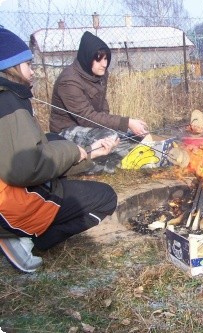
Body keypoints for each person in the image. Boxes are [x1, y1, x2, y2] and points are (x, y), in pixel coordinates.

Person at [0, 28, 118, 273]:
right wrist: (75, 152)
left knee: (52, 140)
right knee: (106, 197)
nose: (32, 71)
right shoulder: (9, 102)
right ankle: (26, 237)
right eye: (27, 65)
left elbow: (31, 146)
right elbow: (24, 168)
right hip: (10, 206)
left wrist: (89, 153)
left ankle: (20, 231)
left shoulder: (9, 98)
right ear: (10, 68)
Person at [49, 31, 148, 173]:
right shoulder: (69, 81)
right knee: (110, 136)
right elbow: (87, 117)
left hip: (90, 126)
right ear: (87, 58)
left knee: (130, 135)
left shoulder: (100, 74)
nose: (104, 64)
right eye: (99, 59)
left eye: (106, 59)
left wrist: (121, 128)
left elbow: (103, 107)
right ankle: (97, 166)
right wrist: (126, 122)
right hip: (66, 131)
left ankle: (132, 153)